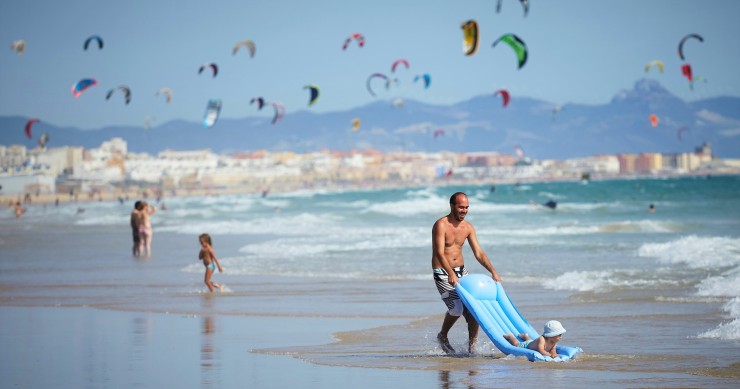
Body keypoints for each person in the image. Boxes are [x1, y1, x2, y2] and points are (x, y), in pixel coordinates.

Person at [432, 192, 502, 354]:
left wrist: (493, 272)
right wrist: (450, 272)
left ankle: (472, 348)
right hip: (442, 271)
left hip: (461, 271)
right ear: (452, 206)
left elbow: (479, 253)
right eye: (461, 207)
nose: (464, 210)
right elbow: (439, 253)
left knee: (473, 309)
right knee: (456, 308)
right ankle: (442, 335)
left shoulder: (468, 227)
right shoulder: (441, 225)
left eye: (466, 207)